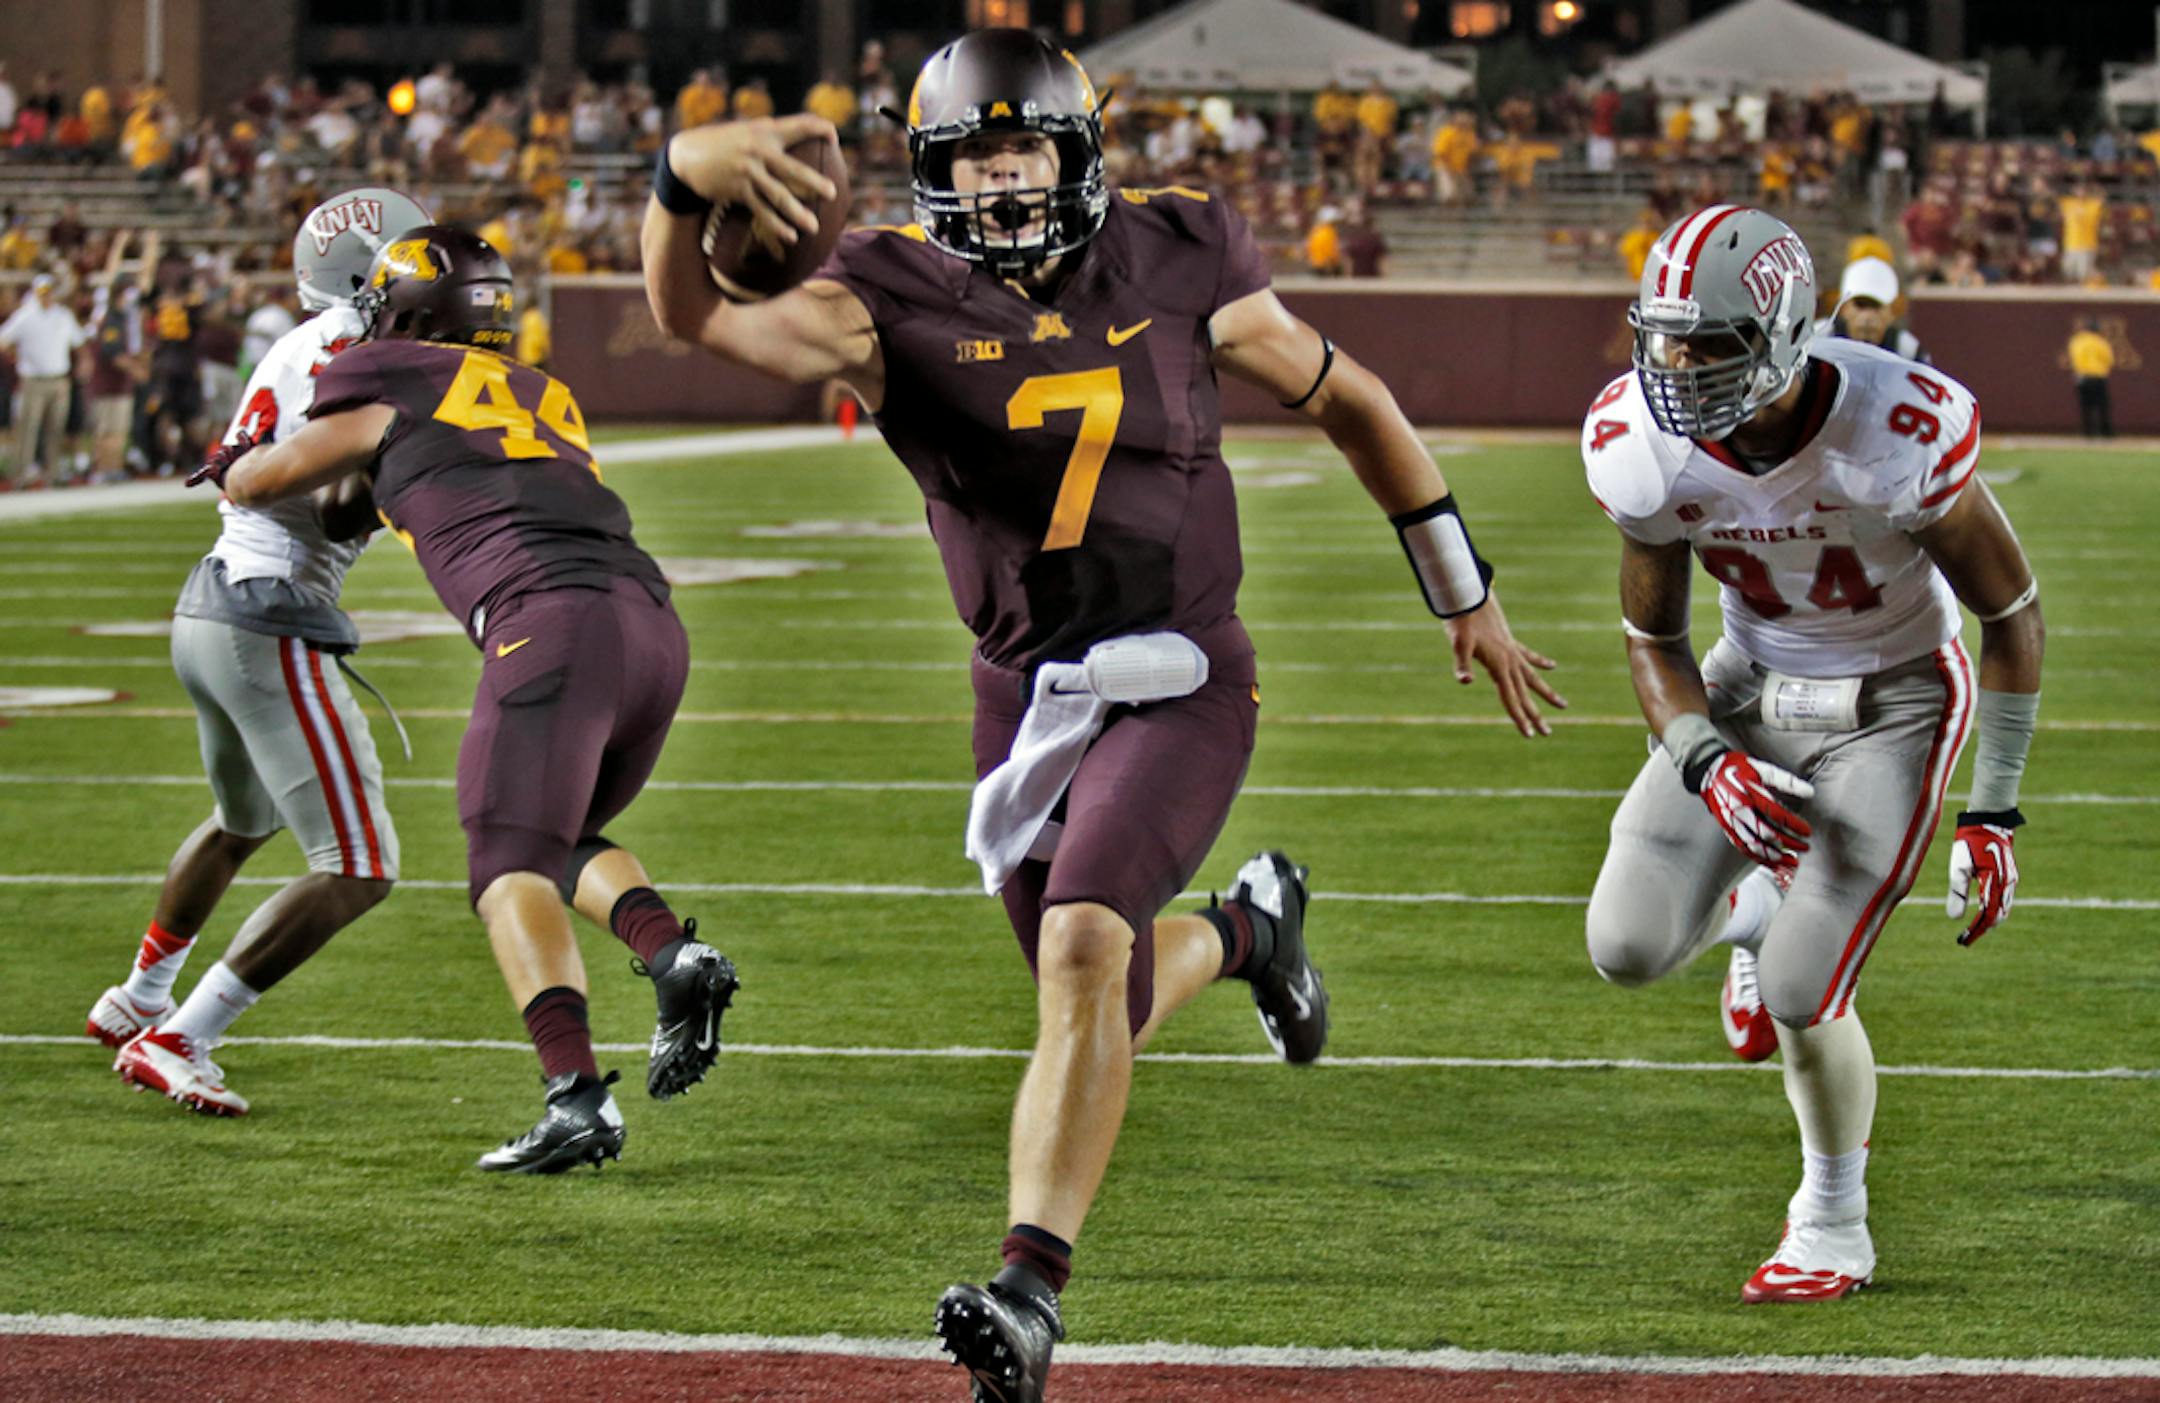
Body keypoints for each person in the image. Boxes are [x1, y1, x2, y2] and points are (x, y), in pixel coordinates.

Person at [640, 30, 1562, 1400]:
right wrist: (673, 182)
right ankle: (1254, 930)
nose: (1001, 182)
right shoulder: (883, 293)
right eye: (971, 155)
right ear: (932, 169)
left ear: (1078, 156)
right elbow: (692, 317)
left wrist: (1460, 591)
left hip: (1184, 671)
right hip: (1025, 695)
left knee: (1080, 948)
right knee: (1107, 997)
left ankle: (1026, 1291)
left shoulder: (1180, 257)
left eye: (1022, 151)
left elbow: (1357, 400)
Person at [195, 224, 739, 1172]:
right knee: (560, 839)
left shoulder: (385, 376)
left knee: (504, 864)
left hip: (548, 623)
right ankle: (669, 952)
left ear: (404, 312)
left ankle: (574, 1097)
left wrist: (234, 453)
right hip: (650, 623)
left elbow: (264, 483)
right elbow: (370, 492)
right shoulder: (541, 388)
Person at [1581, 206, 2044, 1303]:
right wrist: (1704, 758)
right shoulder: (1641, 446)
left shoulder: (1898, 426)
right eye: (1666, 338)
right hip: (1747, 688)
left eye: (1711, 344)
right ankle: (1750, 908)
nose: (1678, 370)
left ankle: (1832, 1220)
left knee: (1802, 985)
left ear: (1786, 335)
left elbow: (2011, 613)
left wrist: (1995, 810)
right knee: (1625, 943)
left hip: (1897, 698)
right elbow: (1654, 638)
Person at [92, 189, 433, 1115]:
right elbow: (331, 505)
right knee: (360, 863)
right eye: (410, 261)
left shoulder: (307, 341)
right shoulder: (352, 355)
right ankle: (180, 1036)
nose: (427, 278)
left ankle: (139, 995)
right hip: (266, 614)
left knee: (241, 821)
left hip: (210, 610)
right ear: (370, 277)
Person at [0, 272, 86, 485]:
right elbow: (3, 339)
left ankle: (53, 473)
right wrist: (15, 356)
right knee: (27, 429)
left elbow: (79, 341)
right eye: (42, 293)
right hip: (33, 381)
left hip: (59, 379)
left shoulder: (63, 315)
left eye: (49, 293)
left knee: (56, 429)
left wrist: (85, 361)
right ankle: (19, 475)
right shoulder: (25, 315)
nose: (46, 297)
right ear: (36, 293)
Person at [1819, 257, 1927, 364]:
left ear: (1892, 311)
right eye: (1860, 304)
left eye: (1876, 306)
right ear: (1844, 307)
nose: (1868, 316)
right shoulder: (1818, 340)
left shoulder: (1908, 352)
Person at [2067, 317, 2113, 438]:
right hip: (2098, 377)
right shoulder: (2100, 341)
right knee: (2102, 406)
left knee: (2086, 406)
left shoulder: (2077, 341)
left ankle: (2088, 431)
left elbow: (2074, 357)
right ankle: (2105, 431)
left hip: (2082, 377)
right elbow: (2108, 359)